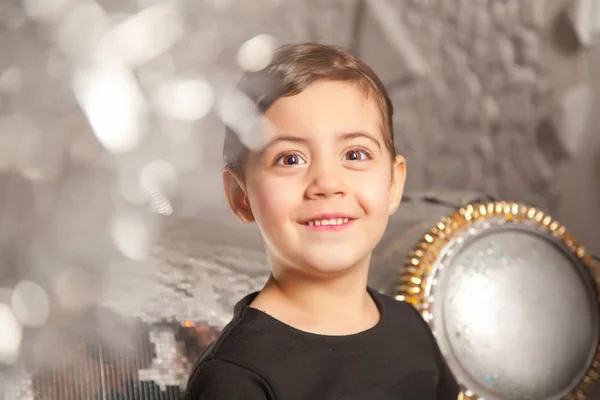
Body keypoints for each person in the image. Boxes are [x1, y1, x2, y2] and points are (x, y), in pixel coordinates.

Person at [184, 42, 460, 400]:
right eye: (290, 159)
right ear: (241, 196)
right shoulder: (235, 377)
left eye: (355, 154)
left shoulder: (411, 330)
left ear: (392, 185)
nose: (327, 184)